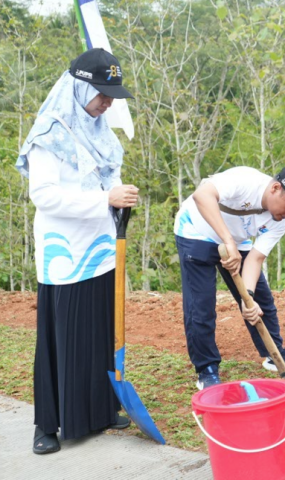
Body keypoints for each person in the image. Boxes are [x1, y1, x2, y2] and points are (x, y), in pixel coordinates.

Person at [15, 48, 139, 454]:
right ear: (79, 86)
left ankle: (101, 410)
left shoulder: (99, 130)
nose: (107, 102)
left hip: (102, 249)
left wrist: (120, 200)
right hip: (64, 255)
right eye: (102, 93)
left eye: (111, 95)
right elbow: (45, 197)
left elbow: (111, 180)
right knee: (60, 338)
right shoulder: (49, 134)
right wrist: (106, 198)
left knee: (99, 335)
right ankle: (47, 425)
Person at [174, 166, 285, 389]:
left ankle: (274, 353)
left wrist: (247, 297)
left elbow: (256, 258)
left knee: (261, 301)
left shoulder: (280, 221)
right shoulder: (244, 180)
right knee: (201, 306)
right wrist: (227, 241)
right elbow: (202, 194)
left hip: (236, 240)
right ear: (275, 188)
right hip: (196, 230)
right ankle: (207, 370)